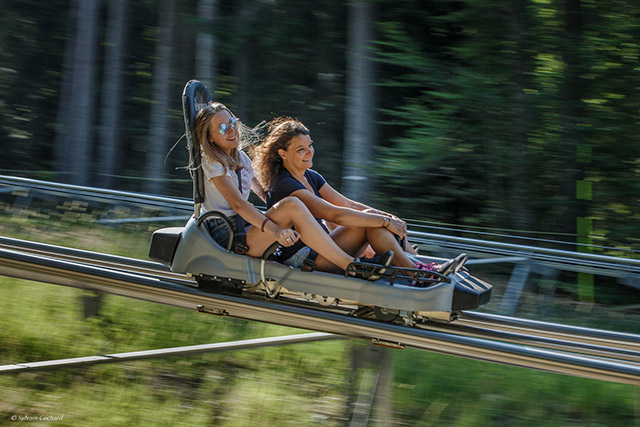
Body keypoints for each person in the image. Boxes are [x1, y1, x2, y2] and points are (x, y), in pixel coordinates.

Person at [193, 102, 392, 277]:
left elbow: (265, 194)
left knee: (292, 205)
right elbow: (239, 204)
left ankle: (354, 261)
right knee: (291, 205)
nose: (231, 130)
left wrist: (291, 216)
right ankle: (350, 265)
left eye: (233, 123)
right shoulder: (212, 163)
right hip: (227, 235)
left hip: (244, 227)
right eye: (222, 128)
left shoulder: (241, 158)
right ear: (210, 138)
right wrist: (275, 229)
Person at [252, 117, 467, 277]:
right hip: (305, 258)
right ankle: (418, 272)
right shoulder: (285, 184)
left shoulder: (311, 176)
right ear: (282, 153)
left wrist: (388, 217)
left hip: (323, 248)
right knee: (372, 222)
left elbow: (348, 204)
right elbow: (335, 214)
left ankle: (419, 267)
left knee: (370, 219)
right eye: (301, 149)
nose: (309, 152)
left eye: (310, 146)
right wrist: (384, 220)